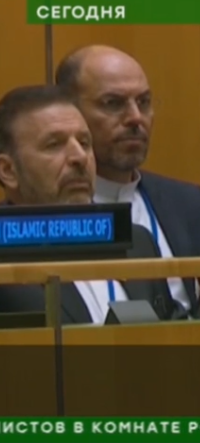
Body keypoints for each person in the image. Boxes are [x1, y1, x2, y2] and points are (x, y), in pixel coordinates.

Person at [0, 85, 185, 329]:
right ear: (8, 170)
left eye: (84, 143)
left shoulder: (137, 241)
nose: (79, 158)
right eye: (54, 145)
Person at [55, 45, 200, 317]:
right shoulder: (40, 217)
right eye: (113, 103)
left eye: (144, 102)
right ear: (69, 112)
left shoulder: (191, 205)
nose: (135, 118)